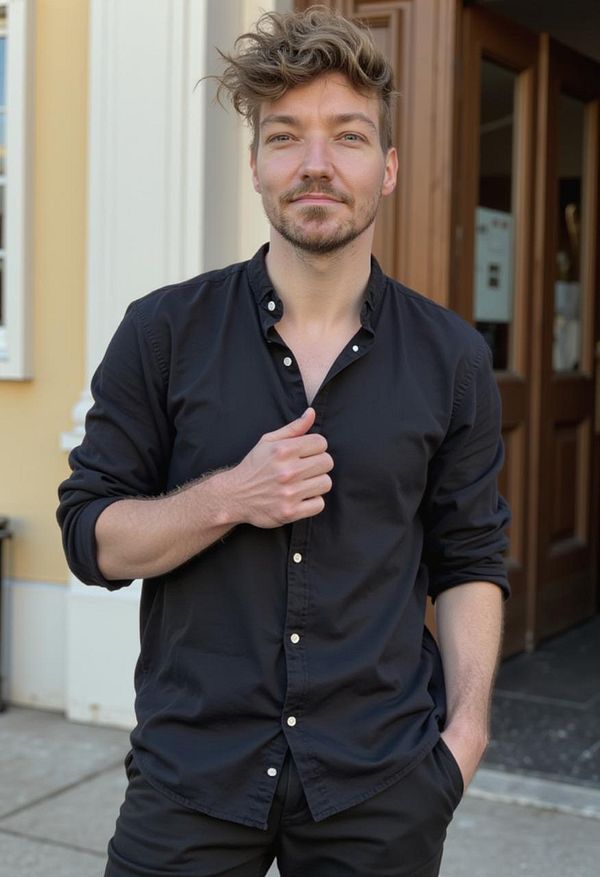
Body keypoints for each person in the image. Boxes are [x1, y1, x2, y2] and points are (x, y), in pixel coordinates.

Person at [57, 7, 510, 876]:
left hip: (380, 784)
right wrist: (231, 495)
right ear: (257, 165)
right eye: (285, 136)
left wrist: (465, 737)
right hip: (192, 776)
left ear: (386, 168)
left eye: (346, 136)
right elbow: (90, 539)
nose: (315, 164)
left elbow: (470, 558)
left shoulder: (452, 358)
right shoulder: (162, 332)